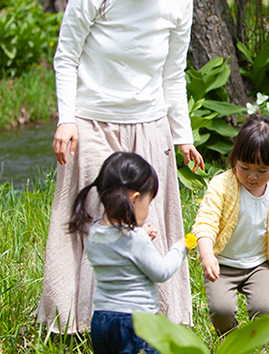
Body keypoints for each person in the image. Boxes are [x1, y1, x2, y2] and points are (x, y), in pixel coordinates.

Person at [37, 0, 203, 333]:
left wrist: (182, 136)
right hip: (92, 120)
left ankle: (153, 324)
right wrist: (66, 119)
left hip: (150, 123)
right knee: (102, 217)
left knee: (147, 220)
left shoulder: (180, 3)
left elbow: (173, 71)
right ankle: (81, 322)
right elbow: (66, 56)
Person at [69, 152, 189, 354]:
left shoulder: (94, 231)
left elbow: (118, 246)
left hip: (102, 323)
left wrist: (138, 233)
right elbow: (161, 272)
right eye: (147, 201)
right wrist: (180, 248)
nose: (147, 208)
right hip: (136, 323)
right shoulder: (136, 239)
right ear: (134, 199)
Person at [192, 115, 269, 335]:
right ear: (234, 158)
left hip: (257, 265)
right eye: (245, 167)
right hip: (222, 265)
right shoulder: (222, 186)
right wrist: (207, 255)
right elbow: (205, 223)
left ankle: (260, 351)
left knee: (263, 310)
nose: (252, 176)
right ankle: (231, 338)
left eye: (262, 170)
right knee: (221, 310)